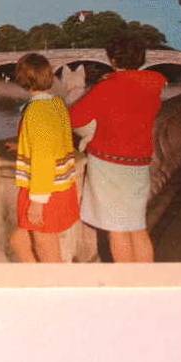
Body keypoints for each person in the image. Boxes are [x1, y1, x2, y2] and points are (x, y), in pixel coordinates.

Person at [69, 35, 166, 263]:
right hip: (140, 161)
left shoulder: (108, 87)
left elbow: (74, 118)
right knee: (137, 226)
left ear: (112, 59)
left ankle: (126, 284)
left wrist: (99, 86)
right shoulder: (152, 86)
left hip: (109, 163)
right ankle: (146, 279)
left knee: (118, 229)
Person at [10, 53, 80, 263]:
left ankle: (54, 292)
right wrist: (22, 146)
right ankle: (40, 286)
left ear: (22, 78)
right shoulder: (56, 104)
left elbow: (43, 156)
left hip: (43, 190)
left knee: (47, 250)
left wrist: (37, 202)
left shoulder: (37, 111)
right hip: (59, 185)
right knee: (18, 241)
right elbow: (52, 141)